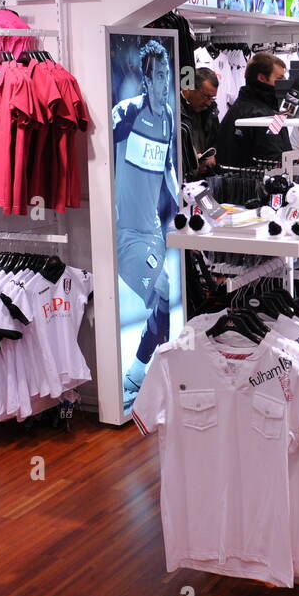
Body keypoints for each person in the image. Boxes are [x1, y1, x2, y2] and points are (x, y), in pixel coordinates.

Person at [112, 40, 181, 414]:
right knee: (166, 291)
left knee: (162, 305)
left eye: (167, 74)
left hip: (153, 231)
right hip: (127, 235)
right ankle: (140, 375)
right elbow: (99, 162)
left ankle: (141, 376)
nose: (163, 82)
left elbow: (168, 166)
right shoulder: (125, 114)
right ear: (145, 80)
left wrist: (183, 201)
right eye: (157, 75)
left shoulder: (169, 116)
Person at [216, 52, 291, 167]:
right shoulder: (264, 114)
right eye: (280, 79)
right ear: (261, 78)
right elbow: (274, 158)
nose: (284, 82)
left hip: (235, 180)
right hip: (257, 182)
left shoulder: (239, 107)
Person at [180, 67, 220, 179]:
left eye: (212, 98)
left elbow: (217, 140)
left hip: (204, 180)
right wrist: (191, 165)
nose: (208, 103)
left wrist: (213, 156)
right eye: (206, 96)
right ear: (190, 88)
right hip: (183, 181)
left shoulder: (211, 110)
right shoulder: (175, 111)